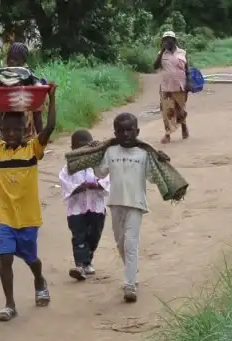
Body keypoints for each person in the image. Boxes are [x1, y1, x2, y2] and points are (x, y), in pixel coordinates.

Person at [0, 82, 56, 322]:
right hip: (6, 216)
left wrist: (52, 97)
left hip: (29, 217)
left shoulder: (33, 149)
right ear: (0, 131)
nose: (10, 134)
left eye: (15, 130)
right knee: (5, 258)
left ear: (25, 131)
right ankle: (10, 304)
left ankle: (39, 280)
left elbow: (50, 126)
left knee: (31, 259)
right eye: (6, 130)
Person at [93, 113, 156, 303]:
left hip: (136, 204)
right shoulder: (110, 152)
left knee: (130, 242)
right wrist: (94, 154)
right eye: (121, 131)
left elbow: (153, 176)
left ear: (137, 131)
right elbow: (100, 173)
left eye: (130, 130)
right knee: (120, 243)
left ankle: (130, 284)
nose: (126, 134)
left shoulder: (143, 154)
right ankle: (132, 270)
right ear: (115, 133)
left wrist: (160, 161)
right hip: (115, 203)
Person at [59, 130, 110, 281]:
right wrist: (79, 187)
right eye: (78, 147)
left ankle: (87, 261)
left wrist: (97, 185)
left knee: (94, 236)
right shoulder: (68, 168)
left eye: (86, 146)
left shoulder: (98, 165)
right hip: (76, 210)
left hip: (97, 208)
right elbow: (65, 182)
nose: (83, 150)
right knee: (79, 237)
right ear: (72, 149)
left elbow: (107, 179)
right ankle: (80, 266)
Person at [153, 31, 191, 144]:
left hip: (180, 86)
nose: (167, 41)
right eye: (164, 39)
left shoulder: (182, 53)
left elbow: (187, 69)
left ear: (174, 41)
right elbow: (155, 66)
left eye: (169, 39)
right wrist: (161, 52)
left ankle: (183, 125)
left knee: (181, 109)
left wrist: (188, 82)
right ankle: (167, 134)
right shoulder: (161, 53)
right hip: (166, 88)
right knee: (167, 111)